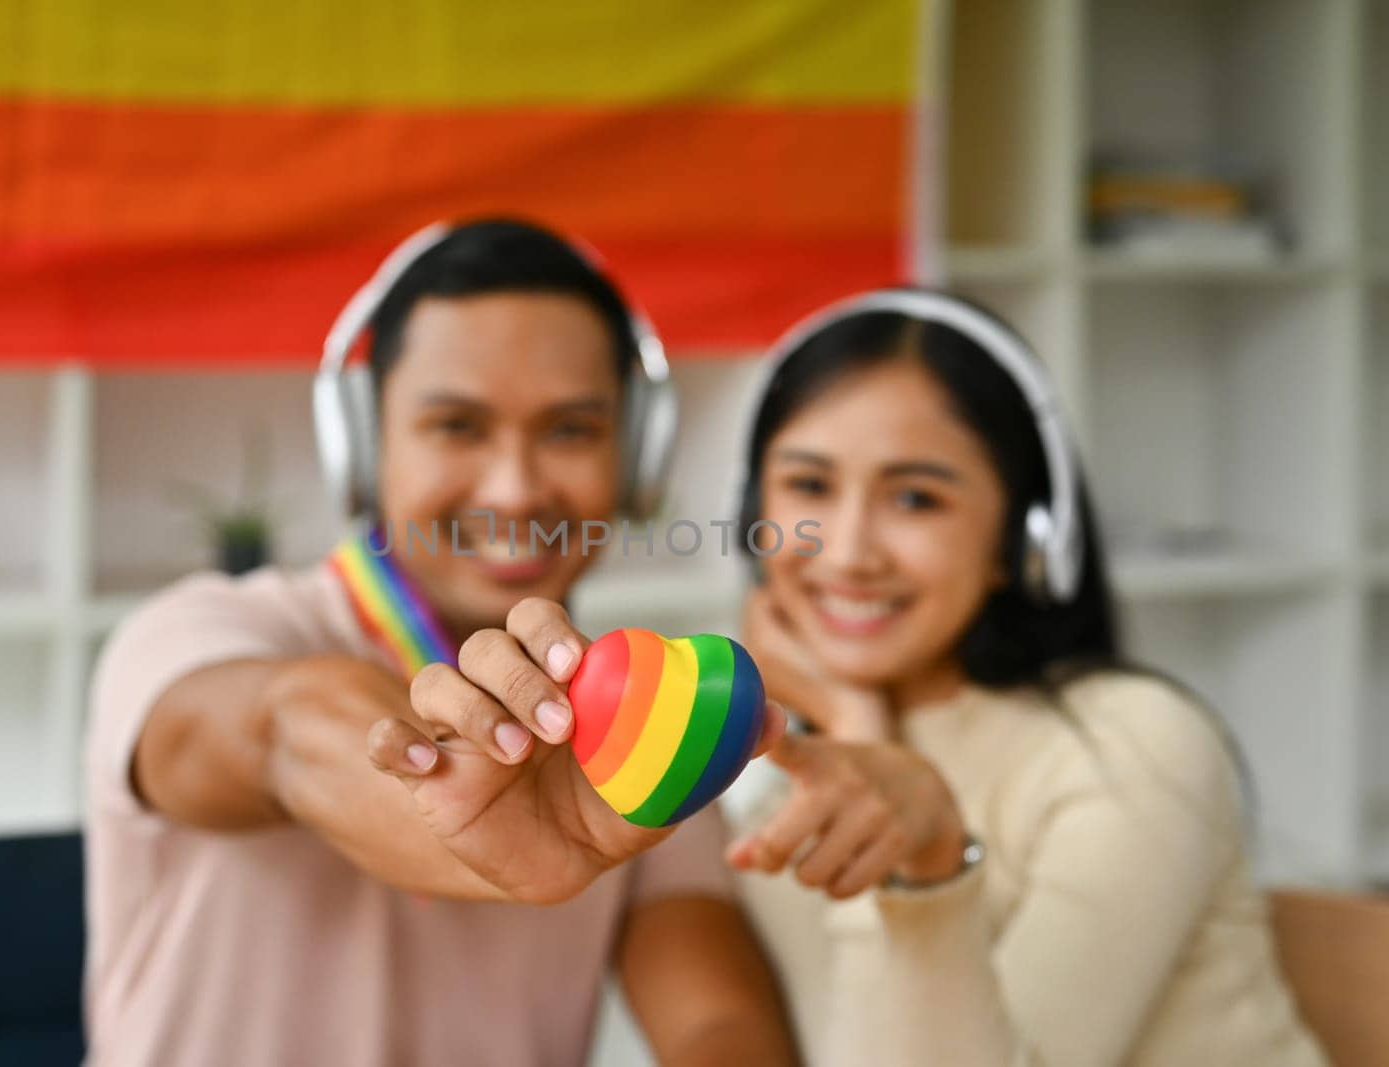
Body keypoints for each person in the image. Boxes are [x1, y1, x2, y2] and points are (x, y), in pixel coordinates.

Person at [82, 218, 797, 1066]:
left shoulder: (644, 722)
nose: (514, 487)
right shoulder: (194, 633)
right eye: (457, 426)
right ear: (363, 446)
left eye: (571, 429)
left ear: (635, 459)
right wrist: (451, 816)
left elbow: (715, 1023)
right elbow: (287, 730)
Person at [721, 289, 1327, 1066]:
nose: (846, 552)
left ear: (1025, 538)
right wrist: (850, 727)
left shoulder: (1133, 744)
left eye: (915, 497)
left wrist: (857, 732)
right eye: (809, 486)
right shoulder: (771, 790)